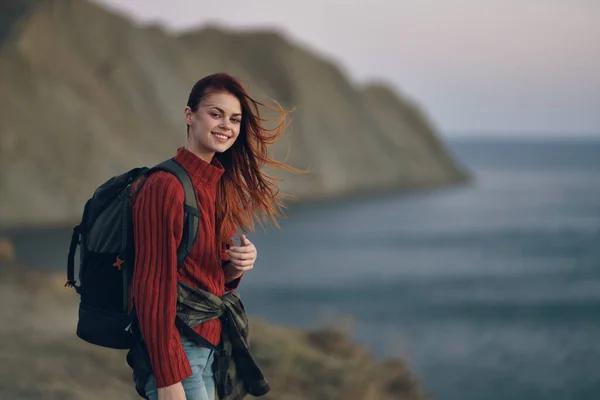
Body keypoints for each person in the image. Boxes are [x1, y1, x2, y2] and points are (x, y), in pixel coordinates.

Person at [129, 73, 297, 400]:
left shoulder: (215, 186)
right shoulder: (165, 186)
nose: (226, 126)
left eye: (234, 119)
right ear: (189, 115)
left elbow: (205, 279)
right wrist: (168, 380)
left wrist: (236, 268)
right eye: (215, 114)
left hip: (208, 346)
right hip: (178, 354)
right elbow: (150, 286)